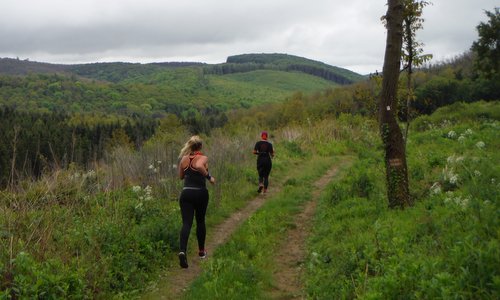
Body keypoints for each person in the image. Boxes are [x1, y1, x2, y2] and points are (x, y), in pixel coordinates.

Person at [177, 135, 215, 268]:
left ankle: (182, 251)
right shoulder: (203, 158)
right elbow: (199, 165)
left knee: (186, 223)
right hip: (200, 192)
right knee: (200, 221)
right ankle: (201, 252)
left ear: (190, 146)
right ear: (200, 147)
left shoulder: (184, 159)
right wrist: (209, 177)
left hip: (186, 193)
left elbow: (181, 177)